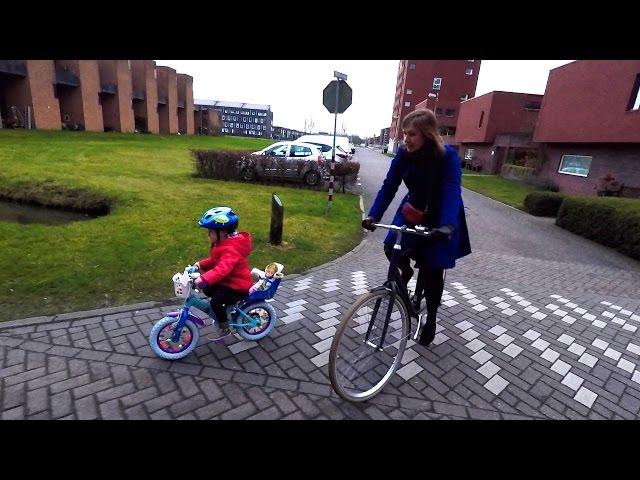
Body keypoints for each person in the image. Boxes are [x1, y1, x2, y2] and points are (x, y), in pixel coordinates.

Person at [362, 109, 471, 347]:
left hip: (442, 212)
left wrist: (448, 225)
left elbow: (452, 190)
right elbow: (389, 185)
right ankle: (406, 273)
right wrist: (373, 215)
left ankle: (431, 317)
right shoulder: (404, 154)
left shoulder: (447, 157)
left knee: (433, 268)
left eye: (411, 134)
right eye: (404, 134)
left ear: (427, 135)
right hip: (413, 208)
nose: (406, 139)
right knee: (391, 246)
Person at [191, 206, 253, 337]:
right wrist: (200, 265)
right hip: (229, 282)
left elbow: (222, 269)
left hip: (238, 287)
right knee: (208, 290)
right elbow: (215, 260)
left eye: (211, 232)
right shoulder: (223, 244)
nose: (208, 235)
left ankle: (224, 327)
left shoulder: (230, 250)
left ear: (223, 232)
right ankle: (225, 309)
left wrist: (204, 279)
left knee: (216, 302)